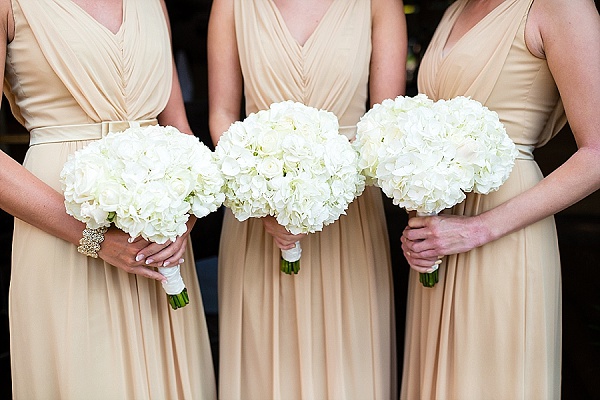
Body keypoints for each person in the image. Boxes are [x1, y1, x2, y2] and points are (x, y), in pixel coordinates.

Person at [1, 0, 217, 398]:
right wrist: (94, 238)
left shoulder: (153, 4)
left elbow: (179, 128)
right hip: (62, 228)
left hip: (160, 242)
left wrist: (186, 218)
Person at [400, 0, 600, 398]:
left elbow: (596, 154)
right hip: (438, 237)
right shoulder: (459, 6)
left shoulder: (562, 6)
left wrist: (476, 229)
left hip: (504, 230)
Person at [207, 0, 406, 398]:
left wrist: (326, 191)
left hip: (350, 215)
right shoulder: (230, 5)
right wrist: (267, 197)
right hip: (259, 213)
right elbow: (223, 114)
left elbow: (385, 122)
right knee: (263, 366)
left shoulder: (379, 4)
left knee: (350, 366)